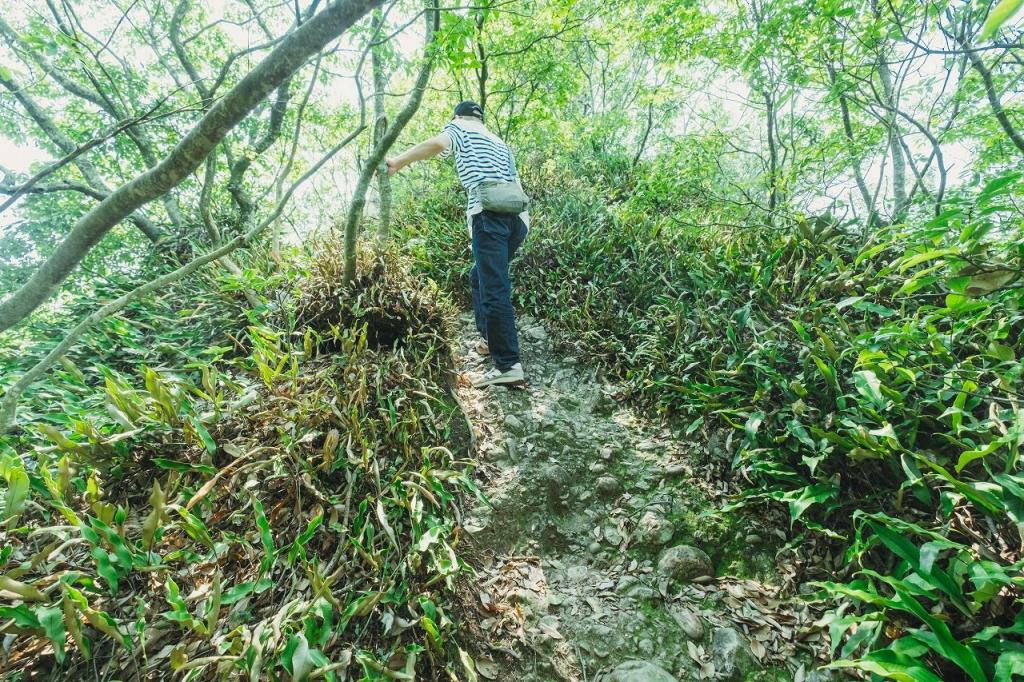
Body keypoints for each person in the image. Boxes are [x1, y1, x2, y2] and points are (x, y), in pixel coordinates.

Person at [386, 100, 529, 388]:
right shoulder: (498, 141)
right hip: (519, 219)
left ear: (456, 116)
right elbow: (515, 181)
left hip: (489, 215)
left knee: (493, 287)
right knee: (479, 276)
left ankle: (508, 365)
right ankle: (491, 338)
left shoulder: (459, 128)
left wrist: (398, 161)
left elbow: (436, 144)